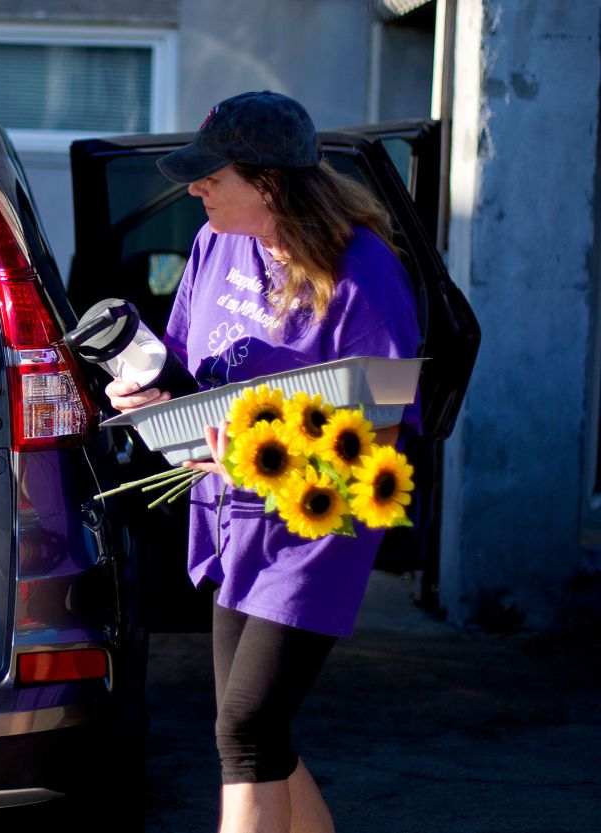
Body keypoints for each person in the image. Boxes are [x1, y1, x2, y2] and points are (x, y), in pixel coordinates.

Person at [106, 91, 419, 833]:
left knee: (242, 731)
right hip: (228, 518)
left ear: (269, 182)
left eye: (212, 175)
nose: (195, 188)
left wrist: (267, 443)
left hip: (313, 526)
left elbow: (388, 410)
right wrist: (151, 392)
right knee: (258, 736)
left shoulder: (362, 271)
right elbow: (185, 357)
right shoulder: (216, 245)